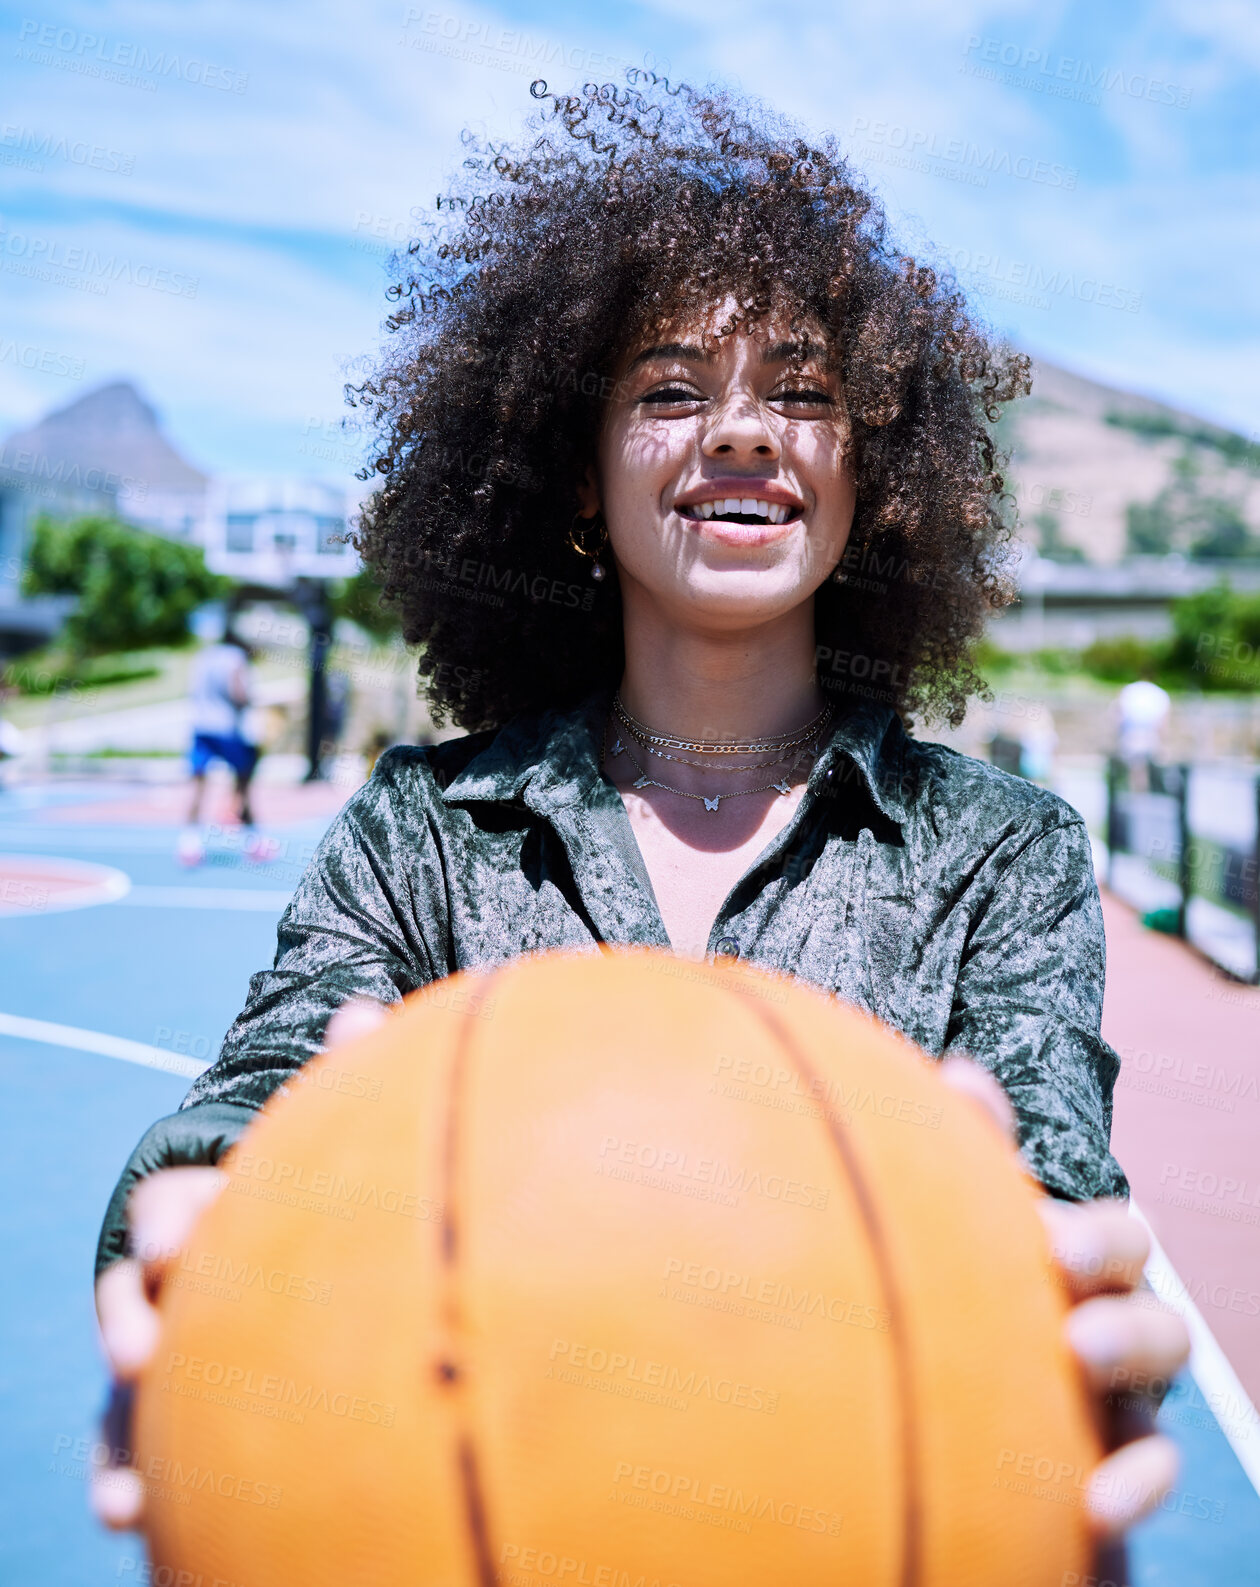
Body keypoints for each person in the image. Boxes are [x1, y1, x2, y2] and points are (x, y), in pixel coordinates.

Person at [92, 74, 1187, 1566]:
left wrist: (1061, 1301)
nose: (743, 432)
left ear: (877, 474)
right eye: (671, 388)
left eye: (802, 390)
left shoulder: (999, 851)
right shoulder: (424, 830)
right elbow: (258, 1088)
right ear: (573, 477)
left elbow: (1047, 1163)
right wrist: (201, 1212)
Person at [176, 625, 263, 865]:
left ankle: (189, 844)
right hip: (227, 729)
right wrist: (252, 701)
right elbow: (238, 692)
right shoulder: (235, 657)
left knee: (198, 787)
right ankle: (253, 842)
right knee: (243, 785)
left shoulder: (203, 656)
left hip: (201, 727)